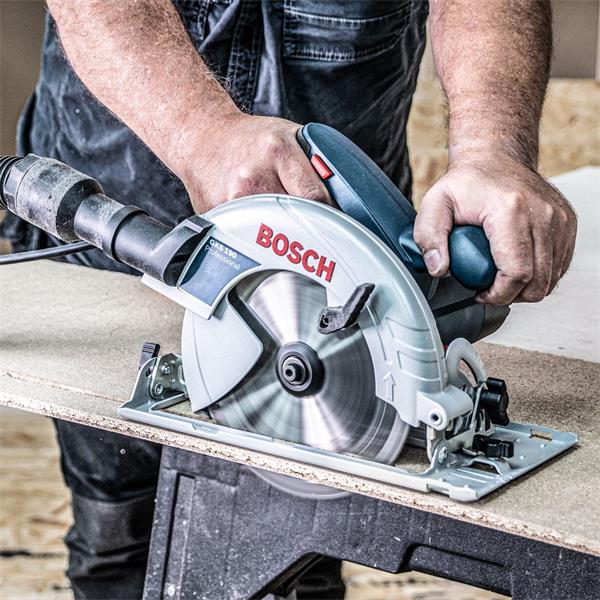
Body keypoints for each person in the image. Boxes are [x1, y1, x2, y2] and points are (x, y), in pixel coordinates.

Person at [1, 1, 577, 598]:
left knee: (304, 540)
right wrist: (199, 130)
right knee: (123, 527)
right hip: (127, 190)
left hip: (347, 223)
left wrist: (491, 150)